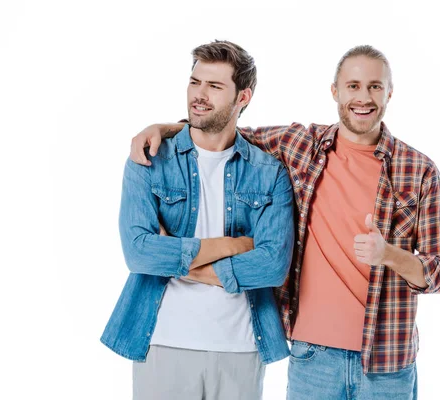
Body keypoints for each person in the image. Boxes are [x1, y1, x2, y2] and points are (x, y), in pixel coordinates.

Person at [130, 45, 440, 399]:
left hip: (387, 362)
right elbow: (226, 130)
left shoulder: (419, 170)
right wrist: (164, 128)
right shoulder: (301, 145)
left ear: (390, 93)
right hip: (312, 357)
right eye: (353, 86)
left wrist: (389, 255)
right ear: (335, 91)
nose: (363, 97)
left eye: (375, 87)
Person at [101, 40, 295, 400]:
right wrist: (232, 245)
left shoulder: (269, 174)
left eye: (215, 86)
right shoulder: (149, 159)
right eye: (195, 82)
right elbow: (139, 253)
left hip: (240, 345)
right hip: (162, 339)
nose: (199, 95)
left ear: (243, 97)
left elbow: (271, 267)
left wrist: (179, 261)